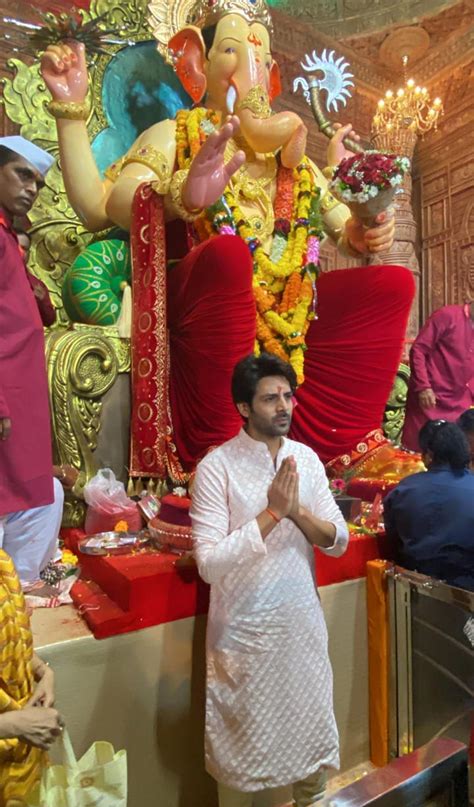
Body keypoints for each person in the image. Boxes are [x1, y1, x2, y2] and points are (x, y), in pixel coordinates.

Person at [40, 0, 414, 481]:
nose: (249, 68)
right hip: (204, 305)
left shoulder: (293, 164)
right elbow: (104, 206)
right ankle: (226, 450)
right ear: (197, 63)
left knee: (393, 284)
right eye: (234, 50)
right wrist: (182, 193)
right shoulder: (180, 133)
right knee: (228, 255)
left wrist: (365, 228)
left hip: (286, 318)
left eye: (259, 54)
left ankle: (349, 442)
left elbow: (346, 231)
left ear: (273, 75)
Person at [191, 353, 349, 807]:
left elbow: (337, 539)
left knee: (310, 745)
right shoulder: (216, 468)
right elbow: (210, 563)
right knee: (238, 755)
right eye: (270, 398)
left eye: (287, 395)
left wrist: (295, 509)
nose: (284, 406)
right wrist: (271, 515)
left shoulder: (305, 459)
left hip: (299, 630)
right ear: (243, 407)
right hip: (243, 637)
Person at [0, 136, 65, 586]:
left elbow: (43, 312)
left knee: (29, 493)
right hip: (5, 399)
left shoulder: (7, 240)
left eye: (38, 183)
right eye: (22, 174)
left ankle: (14, 606)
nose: (32, 189)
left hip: (21, 401)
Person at [0, 549, 63, 807]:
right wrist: (15, 725)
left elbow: (10, 631)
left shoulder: (2, 562)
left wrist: (42, 671)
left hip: (20, 768)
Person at [384, 420, 474, 591]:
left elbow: (393, 541)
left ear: (429, 455)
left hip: (414, 589)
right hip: (467, 591)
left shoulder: (403, 490)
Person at [402, 303, 474, 451]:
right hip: (430, 398)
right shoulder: (447, 315)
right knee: (420, 454)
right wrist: (423, 387)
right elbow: (418, 351)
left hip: (460, 402)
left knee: (453, 455)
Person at [15, 229, 56, 327]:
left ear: (28, 254)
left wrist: (41, 301)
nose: (20, 251)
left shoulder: (36, 285)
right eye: (15, 245)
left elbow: (49, 320)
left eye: (24, 248)